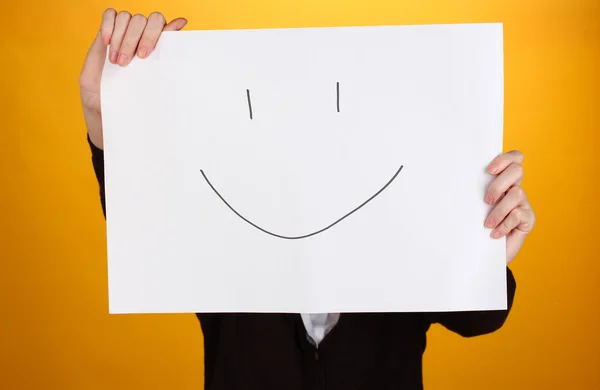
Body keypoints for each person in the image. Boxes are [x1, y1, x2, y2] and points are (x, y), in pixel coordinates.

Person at [80, 9, 537, 390]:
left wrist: (483, 250)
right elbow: (145, 228)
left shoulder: (402, 221)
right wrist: (112, 113)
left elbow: (478, 319)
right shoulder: (221, 228)